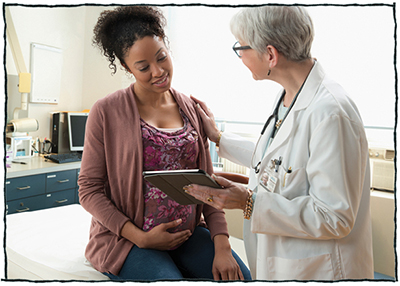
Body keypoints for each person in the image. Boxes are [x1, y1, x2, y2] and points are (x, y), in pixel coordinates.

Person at [186, 6, 374, 281]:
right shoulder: (289, 96)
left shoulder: (330, 113)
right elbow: (280, 163)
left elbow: (335, 217)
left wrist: (249, 203)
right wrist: (218, 137)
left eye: (241, 48)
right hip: (284, 263)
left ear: (270, 54)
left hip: (321, 271)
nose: (240, 57)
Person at [78, 6, 251, 281]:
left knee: (243, 278)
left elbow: (207, 184)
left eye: (162, 58)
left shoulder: (191, 108)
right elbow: (88, 190)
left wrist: (222, 245)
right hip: (132, 240)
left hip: (188, 233)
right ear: (126, 67)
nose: (158, 72)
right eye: (144, 67)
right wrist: (141, 238)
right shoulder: (105, 111)